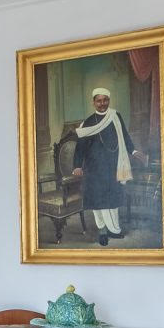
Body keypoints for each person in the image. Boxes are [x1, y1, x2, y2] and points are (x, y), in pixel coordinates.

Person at [70, 88, 141, 246]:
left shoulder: (115, 116)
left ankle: (114, 230)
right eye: (99, 101)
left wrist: (133, 150)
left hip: (112, 166)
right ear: (93, 102)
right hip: (93, 168)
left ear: (109, 100)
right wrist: (77, 166)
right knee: (97, 200)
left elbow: (124, 135)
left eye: (105, 100)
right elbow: (80, 146)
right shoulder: (88, 122)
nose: (102, 104)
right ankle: (102, 230)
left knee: (112, 199)